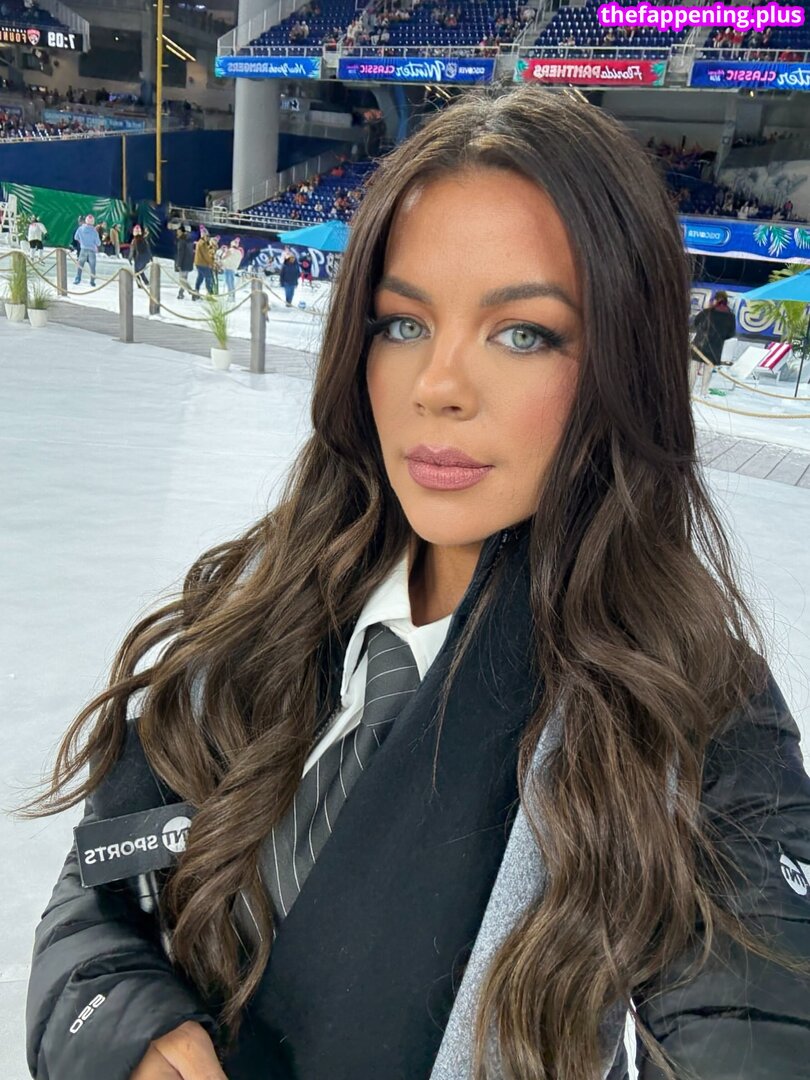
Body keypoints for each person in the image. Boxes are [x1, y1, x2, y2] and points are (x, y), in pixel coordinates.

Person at [24, 86, 810, 1080]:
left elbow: (754, 1017)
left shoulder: (698, 709)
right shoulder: (262, 599)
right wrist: (131, 1031)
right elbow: (103, 887)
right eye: (403, 323)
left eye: (523, 333)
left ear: (624, 362)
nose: (438, 386)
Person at [691, 289, 737, 395]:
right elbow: (731, 333)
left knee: (693, 369)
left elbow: (696, 323)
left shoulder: (707, 312)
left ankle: (689, 391)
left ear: (715, 300)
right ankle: (703, 393)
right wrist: (720, 337)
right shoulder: (731, 316)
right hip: (716, 347)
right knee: (708, 371)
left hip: (699, 345)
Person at [73, 213, 101, 286]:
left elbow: (76, 237)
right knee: (92, 266)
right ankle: (92, 281)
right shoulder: (94, 231)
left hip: (83, 249)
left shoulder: (80, 229)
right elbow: (98, 243)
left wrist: (81, 242)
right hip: (91, 250)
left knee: (80, 265)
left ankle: (78, 278)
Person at [192, 227, 215, 298]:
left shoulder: (200, 242)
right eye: (207, 236)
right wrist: (211, 263)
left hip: (199, 263)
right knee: (209, 277)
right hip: (202, 264)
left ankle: (196, 292)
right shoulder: (202, 243)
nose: (208, 238)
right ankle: (209, 293)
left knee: (200, 277)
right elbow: (206, 255)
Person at [219, 237, 243, 301]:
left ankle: (230, 296)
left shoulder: (230, 250)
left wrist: (222, 258)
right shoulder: (239, 252)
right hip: (233, 268)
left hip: (228, 268)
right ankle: (232, 296)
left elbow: (224, 257)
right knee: (231, 283)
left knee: (229, 282)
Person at [174, 224, 195, 299]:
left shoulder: (181, 241)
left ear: (182, 232)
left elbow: (181, 253)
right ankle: (181, 293)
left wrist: (178, 264)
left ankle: (193, 293)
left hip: (183, 263)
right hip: (188, 263)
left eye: (179, 232)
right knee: (184, 279)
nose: (177, 233)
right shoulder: (189, 239)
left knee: (182, 280)